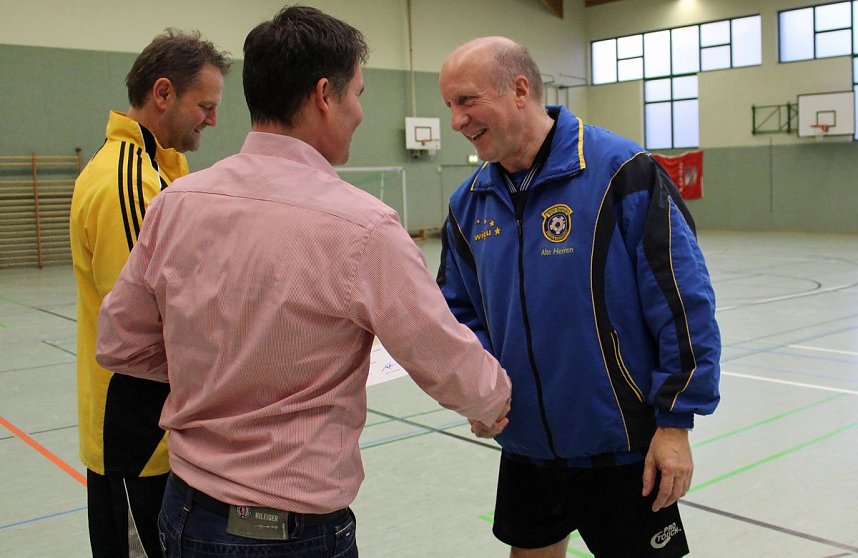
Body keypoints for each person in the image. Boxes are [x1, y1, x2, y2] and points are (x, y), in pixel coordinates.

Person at [95, 6, 511, 558]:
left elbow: (120, 341)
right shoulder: (362, 226)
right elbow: (439, 353)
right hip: (290, 533)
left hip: (186, 511)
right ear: (324, 95)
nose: (360, 112)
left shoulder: (176, 204)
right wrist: (496, 400)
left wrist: (219, 367)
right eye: (357, 93)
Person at [437, 36, 721, 558]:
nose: (456, 120)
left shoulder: (623, 173)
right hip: (525, 446)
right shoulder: (468, 204)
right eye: (449, 105)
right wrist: (476, 389)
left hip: (620, 444)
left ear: (519, 90)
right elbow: (458, 315)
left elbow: (682, 304)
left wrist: (676, 423)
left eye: (466, 100)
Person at [70, 29, 230, 558]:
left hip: (149, 430)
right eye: (204, 105)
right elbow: (148, 319)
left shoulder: (152, 170)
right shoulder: (130, 181)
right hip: (137, 433)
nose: (212, 119)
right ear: (163, 93)